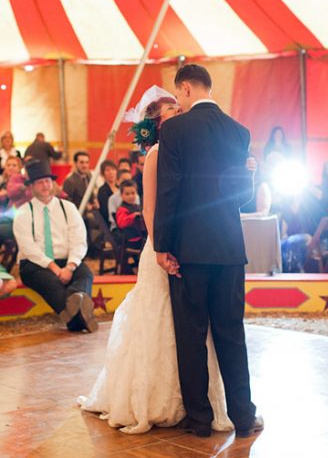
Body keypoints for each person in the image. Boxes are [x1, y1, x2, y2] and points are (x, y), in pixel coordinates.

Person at [78, 85, 233, 434]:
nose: (178, 111)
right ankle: (157, 398)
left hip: (189, 246)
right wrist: (163, 248)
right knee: (157, 318)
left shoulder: (186, 149)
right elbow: (150, 210)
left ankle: (194, 400)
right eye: (170, 110)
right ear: (156, 123)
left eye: (178, 106)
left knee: (192, 324)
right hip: (163, 247)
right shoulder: (157, 153)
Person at [155, 64, 262, 438]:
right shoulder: (239, 131)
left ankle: (200, 420)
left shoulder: (174, 130)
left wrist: (162, 246)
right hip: (230, 249)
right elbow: (243, 200)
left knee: (191, 335)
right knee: (232, 333)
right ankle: (244, 416)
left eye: (178, 95)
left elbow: (169, 191)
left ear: (185, 89)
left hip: (189, 249)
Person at [12, 160, 96, 333]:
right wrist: (55, 269)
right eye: (40, 182)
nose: (45, 185)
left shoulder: (68, 208)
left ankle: (75, 317)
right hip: (35, 265)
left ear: (53, 183)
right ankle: (82, 316)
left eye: (48, 181)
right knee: (52, 282)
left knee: (85, 274)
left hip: (66, 261)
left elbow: (79, 239)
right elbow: (28, 248)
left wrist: (70, 266)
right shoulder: (23, 212)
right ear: (32, 186)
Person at [114, 180, 145, 246]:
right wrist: (133, 216)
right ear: (121, 195)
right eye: (127, 194)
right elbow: (121, 223)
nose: (130, 196)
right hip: (131, 239)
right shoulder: (122, 209)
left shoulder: (137, 206)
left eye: (133, 193)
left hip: (141, 235)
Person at [97, 160, 118, 226]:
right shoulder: (102, 190)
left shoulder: (120, 188)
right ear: (103, 174)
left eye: (113, 169)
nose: (111, 172)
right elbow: (105, 210)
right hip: (111, 222)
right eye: (107, 170)